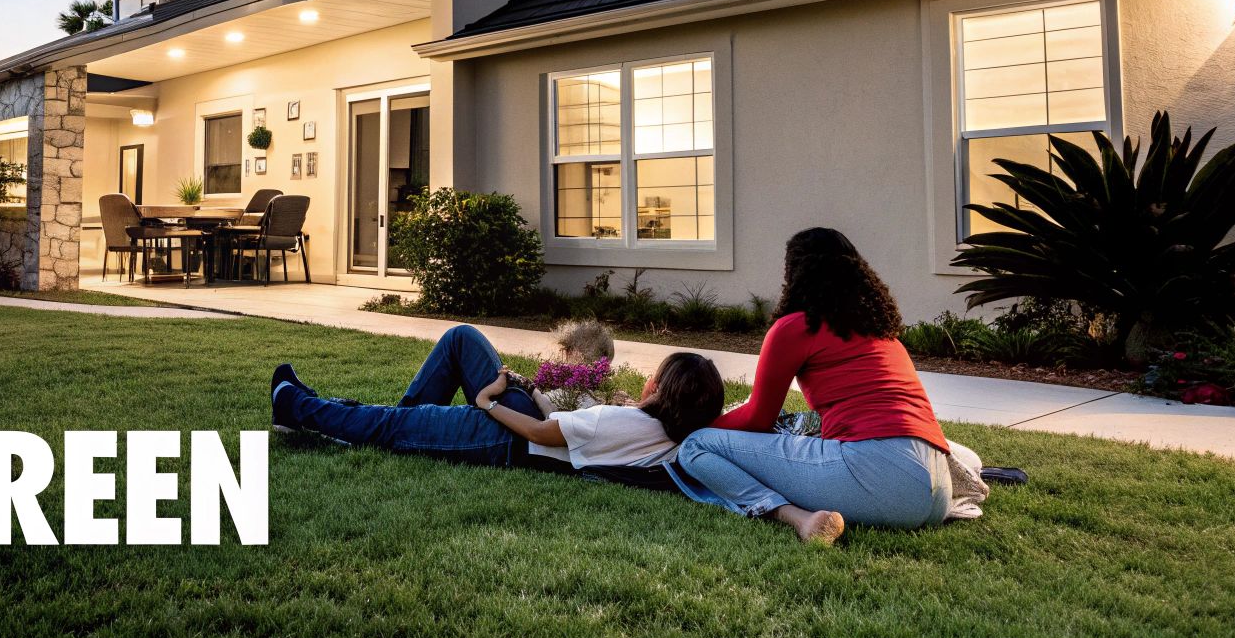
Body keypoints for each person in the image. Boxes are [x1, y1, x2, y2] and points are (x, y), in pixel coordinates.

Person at [672, 228, 953, 545]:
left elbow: (757, 419)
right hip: (939, 491)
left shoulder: (795, 327)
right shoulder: (881, 330)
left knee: (696, 446)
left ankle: (791, 515)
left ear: (794, 274)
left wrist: (703, 427)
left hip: (885, 480)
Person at [271, 324, 722, 472]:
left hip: (505, 436)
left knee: (394, 427)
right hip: (521, 418)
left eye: (655, 377)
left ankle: (292, 405)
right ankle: (395, 427)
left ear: (659, 390)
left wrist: (489, 400)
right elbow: (561, 425)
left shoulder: (625, 425)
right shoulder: (671, 435)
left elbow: (543, 433)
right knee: (462, 338)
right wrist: (533, 390)